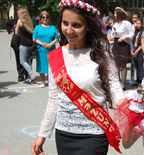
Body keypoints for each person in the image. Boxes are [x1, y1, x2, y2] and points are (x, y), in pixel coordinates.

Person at [31, 0, 126, 155]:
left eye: (76, 25)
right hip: (64, 133)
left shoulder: (102, 55)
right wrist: (42, 134)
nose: (69, 30)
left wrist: (126, 105)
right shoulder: (56, 57)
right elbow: (54, 99)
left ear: (88, 26)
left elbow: (115, 87)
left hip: (94, 133)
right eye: (65, 23)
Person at [32, 10, 58, 87]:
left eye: (47, 17)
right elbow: (34, 38)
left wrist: (50, 44)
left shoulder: (53, 27)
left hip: (51, 50)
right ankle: (42, 81)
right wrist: (42, 44)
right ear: (41, 18)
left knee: (50, 67)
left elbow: (56, 38)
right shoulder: (37, 27)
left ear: (49, 18)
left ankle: (50, 81)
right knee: (41, 66)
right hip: (41, 50)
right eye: (43, 17)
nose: (45, 19)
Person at [111, 7, 134, 90]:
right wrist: (111, 35)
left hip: (124, 43)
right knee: (116, 63)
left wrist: (123, 38)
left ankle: (123, 83)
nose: (114, 15)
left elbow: (131, 34)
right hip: (116, 43)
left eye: (116, 13)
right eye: (114, 13)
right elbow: (113, 32)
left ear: (120, 14)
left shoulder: (126, 23)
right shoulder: (115, 24)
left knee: (123, 64)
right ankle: (117, 81)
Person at [5, 7, 28, 82]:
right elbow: (7, 24)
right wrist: (11, 32)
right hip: (16, 42)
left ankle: (27, 74)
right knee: (18, 59)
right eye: (18, 12)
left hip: (25, 41)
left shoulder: (28, 20)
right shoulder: (15, 20)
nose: (19, 13)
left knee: (26, 59)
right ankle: (20, 75)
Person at [15, 7, 36, 84]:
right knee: (28, 61)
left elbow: (16, 33)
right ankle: (30, 78)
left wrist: (20, 33)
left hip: (23, 44)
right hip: (31, 44)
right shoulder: (31, 21)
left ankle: (32, 75)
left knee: (22, 61)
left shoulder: (20, 21)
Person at [131, 18, 144, 86]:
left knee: (140, 66)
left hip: (140, 50)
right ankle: (138, 79)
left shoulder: (143, 32)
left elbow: (142, 44)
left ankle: (141, 80)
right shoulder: (136, 32)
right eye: (136, 24)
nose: (137, 25)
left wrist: (136, 51)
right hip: (135, 48)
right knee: (136, 66)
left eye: (139, 24)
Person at [129, 12, 140, 85]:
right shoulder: (131, 26)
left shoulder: (139, 26)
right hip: (131, 45)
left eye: (136, 18)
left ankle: (138, 78)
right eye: (133, 18)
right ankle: (132, 77)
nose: (134, 19)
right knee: (132, 63)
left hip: (137, 46)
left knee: (138, 64)